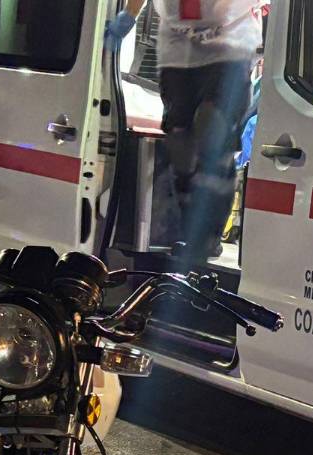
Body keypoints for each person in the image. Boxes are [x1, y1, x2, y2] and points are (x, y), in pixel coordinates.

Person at [106, 0, 262, 265]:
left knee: (213, 135)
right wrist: (128, 17)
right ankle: (190, 229)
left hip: (229, 51)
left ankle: (208, 236)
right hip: (178, 54)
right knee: (181, 147)